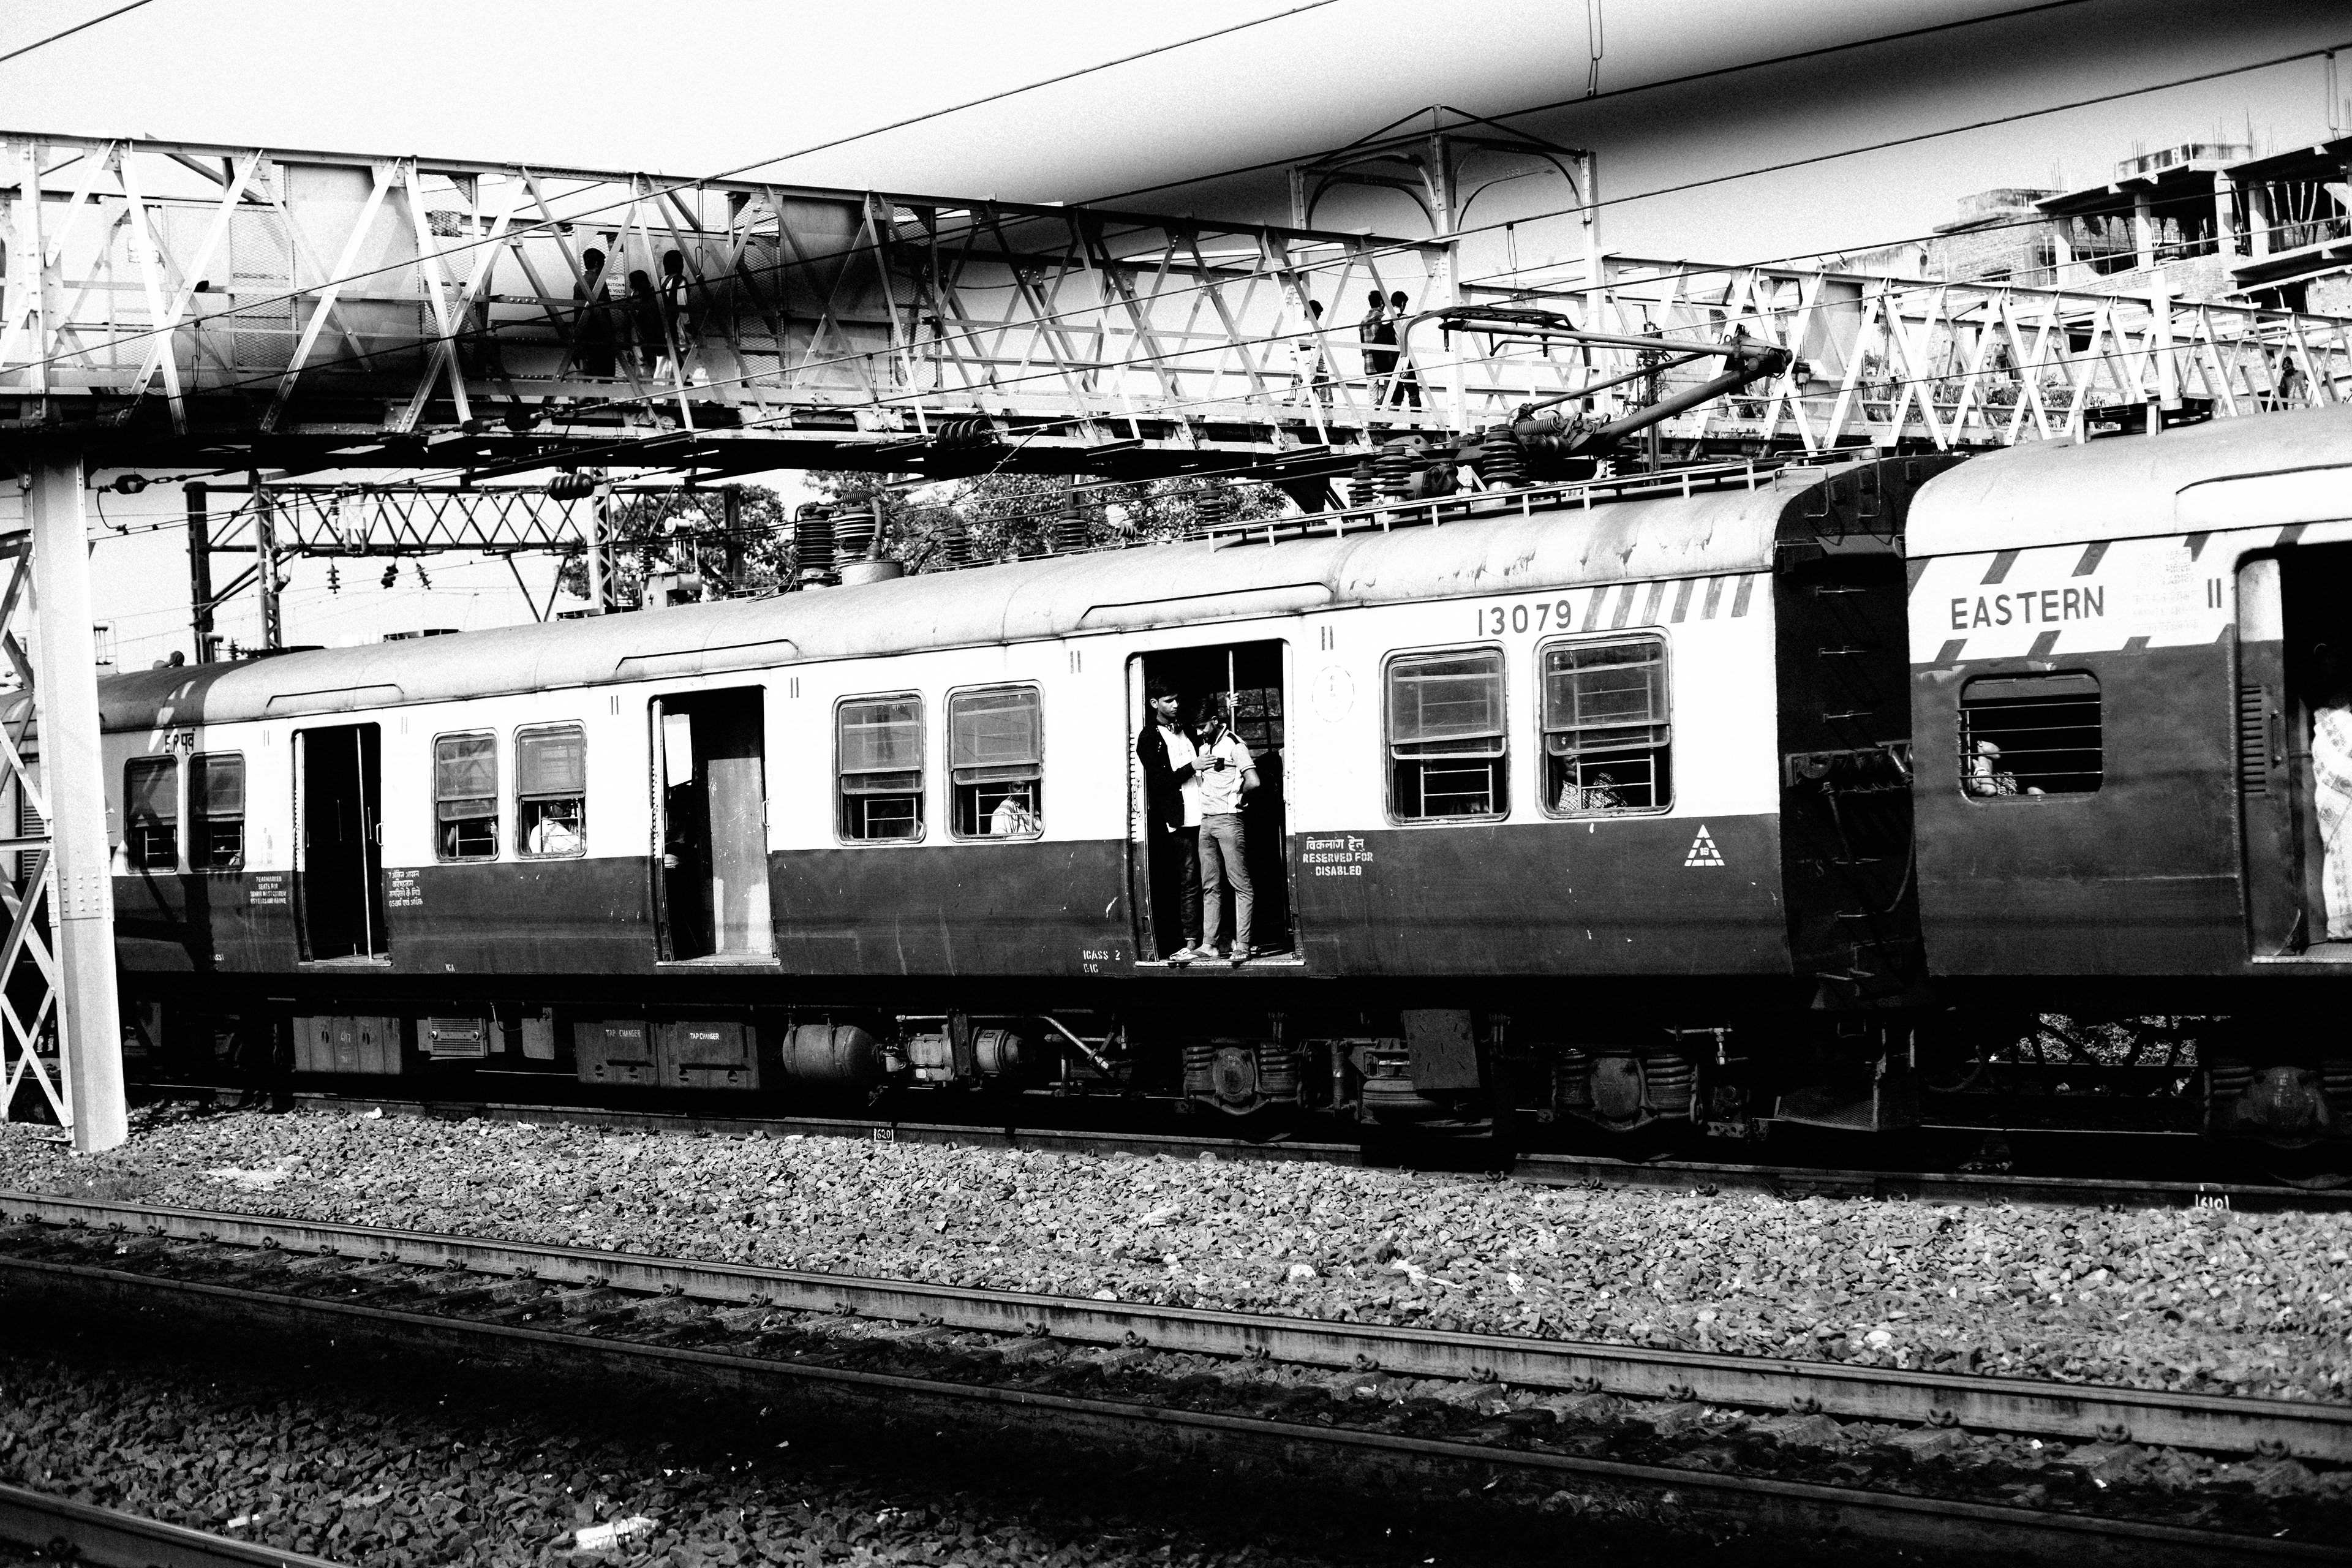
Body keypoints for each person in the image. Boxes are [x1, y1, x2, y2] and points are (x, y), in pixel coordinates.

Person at [1136, 680, 1204, 963]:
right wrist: (1192, 768)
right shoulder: (1148, 738)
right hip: (1180, 821)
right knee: (1189, 879)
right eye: (1169, 701)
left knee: (1213, 876)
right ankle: (1191, 941)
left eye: (1177, 700)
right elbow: (1160, 783)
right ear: (1155, 704)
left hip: (1207, 812)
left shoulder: (1187, 727)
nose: (1176, 705)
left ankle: (1218, 937)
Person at [1194, 695, 1259, 965]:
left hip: (1229, 821)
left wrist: (1239, 799)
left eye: (1203, 727)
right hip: (1206, 823)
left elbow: (1254, 781)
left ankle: (1243, 945)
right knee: (1210, 886)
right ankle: (1210, 944)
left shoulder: (1235, 744)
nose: (1200, 732)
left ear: (1214, 720)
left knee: (1240, 884)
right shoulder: (1204, 747)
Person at [2310, 643, 2352, 941]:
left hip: (2339, 797)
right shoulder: (2332, 722)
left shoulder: (2336, 721)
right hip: (2337, 800)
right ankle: (2343, 926)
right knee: (2341, 853)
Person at [573, 249, 617, 379]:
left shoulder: (579, 283)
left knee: (591, 371)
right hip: (600, 333)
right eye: (603, 262)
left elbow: (577, 311)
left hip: (585, 333)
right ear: (597, 263)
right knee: (606, 373)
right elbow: (605, 308)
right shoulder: (598, 282)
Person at [1358, 287, 1396, 410]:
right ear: (1381, 302)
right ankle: (1381, 416)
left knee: (1372, 396)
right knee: (1388, 392)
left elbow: (1362, 342)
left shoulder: (1363, 320)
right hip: (1383, 362)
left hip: (1369, 362)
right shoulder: (1383, 318)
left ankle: (1372, 418)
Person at [1291, 299, 1332, 407]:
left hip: (1302, 369)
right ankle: (1327, 419)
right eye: (1318, 315)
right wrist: (1314, 368)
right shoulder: (1316, 328)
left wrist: (1293, 371)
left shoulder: (1295, 329)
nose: (1318, 318)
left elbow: (1293, 352)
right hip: (1318, 370)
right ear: (1315, 313)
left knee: (1304, 403)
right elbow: (1315, 350)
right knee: (1327, 403)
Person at [1385, 290, 1422, 411]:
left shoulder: (1384, 319)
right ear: (1402, 304)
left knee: (1394, 392)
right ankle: (1416, 419)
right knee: (1413, 390)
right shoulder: (1403, 318)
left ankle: (1385, 418)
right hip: (1401, 357)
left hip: (1388, 360)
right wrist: (1405, 366)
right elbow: (1405, 342)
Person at [628, 270, 666, 377]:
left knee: (641, 364)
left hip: (635, 334)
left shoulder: (632, 298)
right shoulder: (651, 297)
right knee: (652, 363)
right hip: (649, 333)